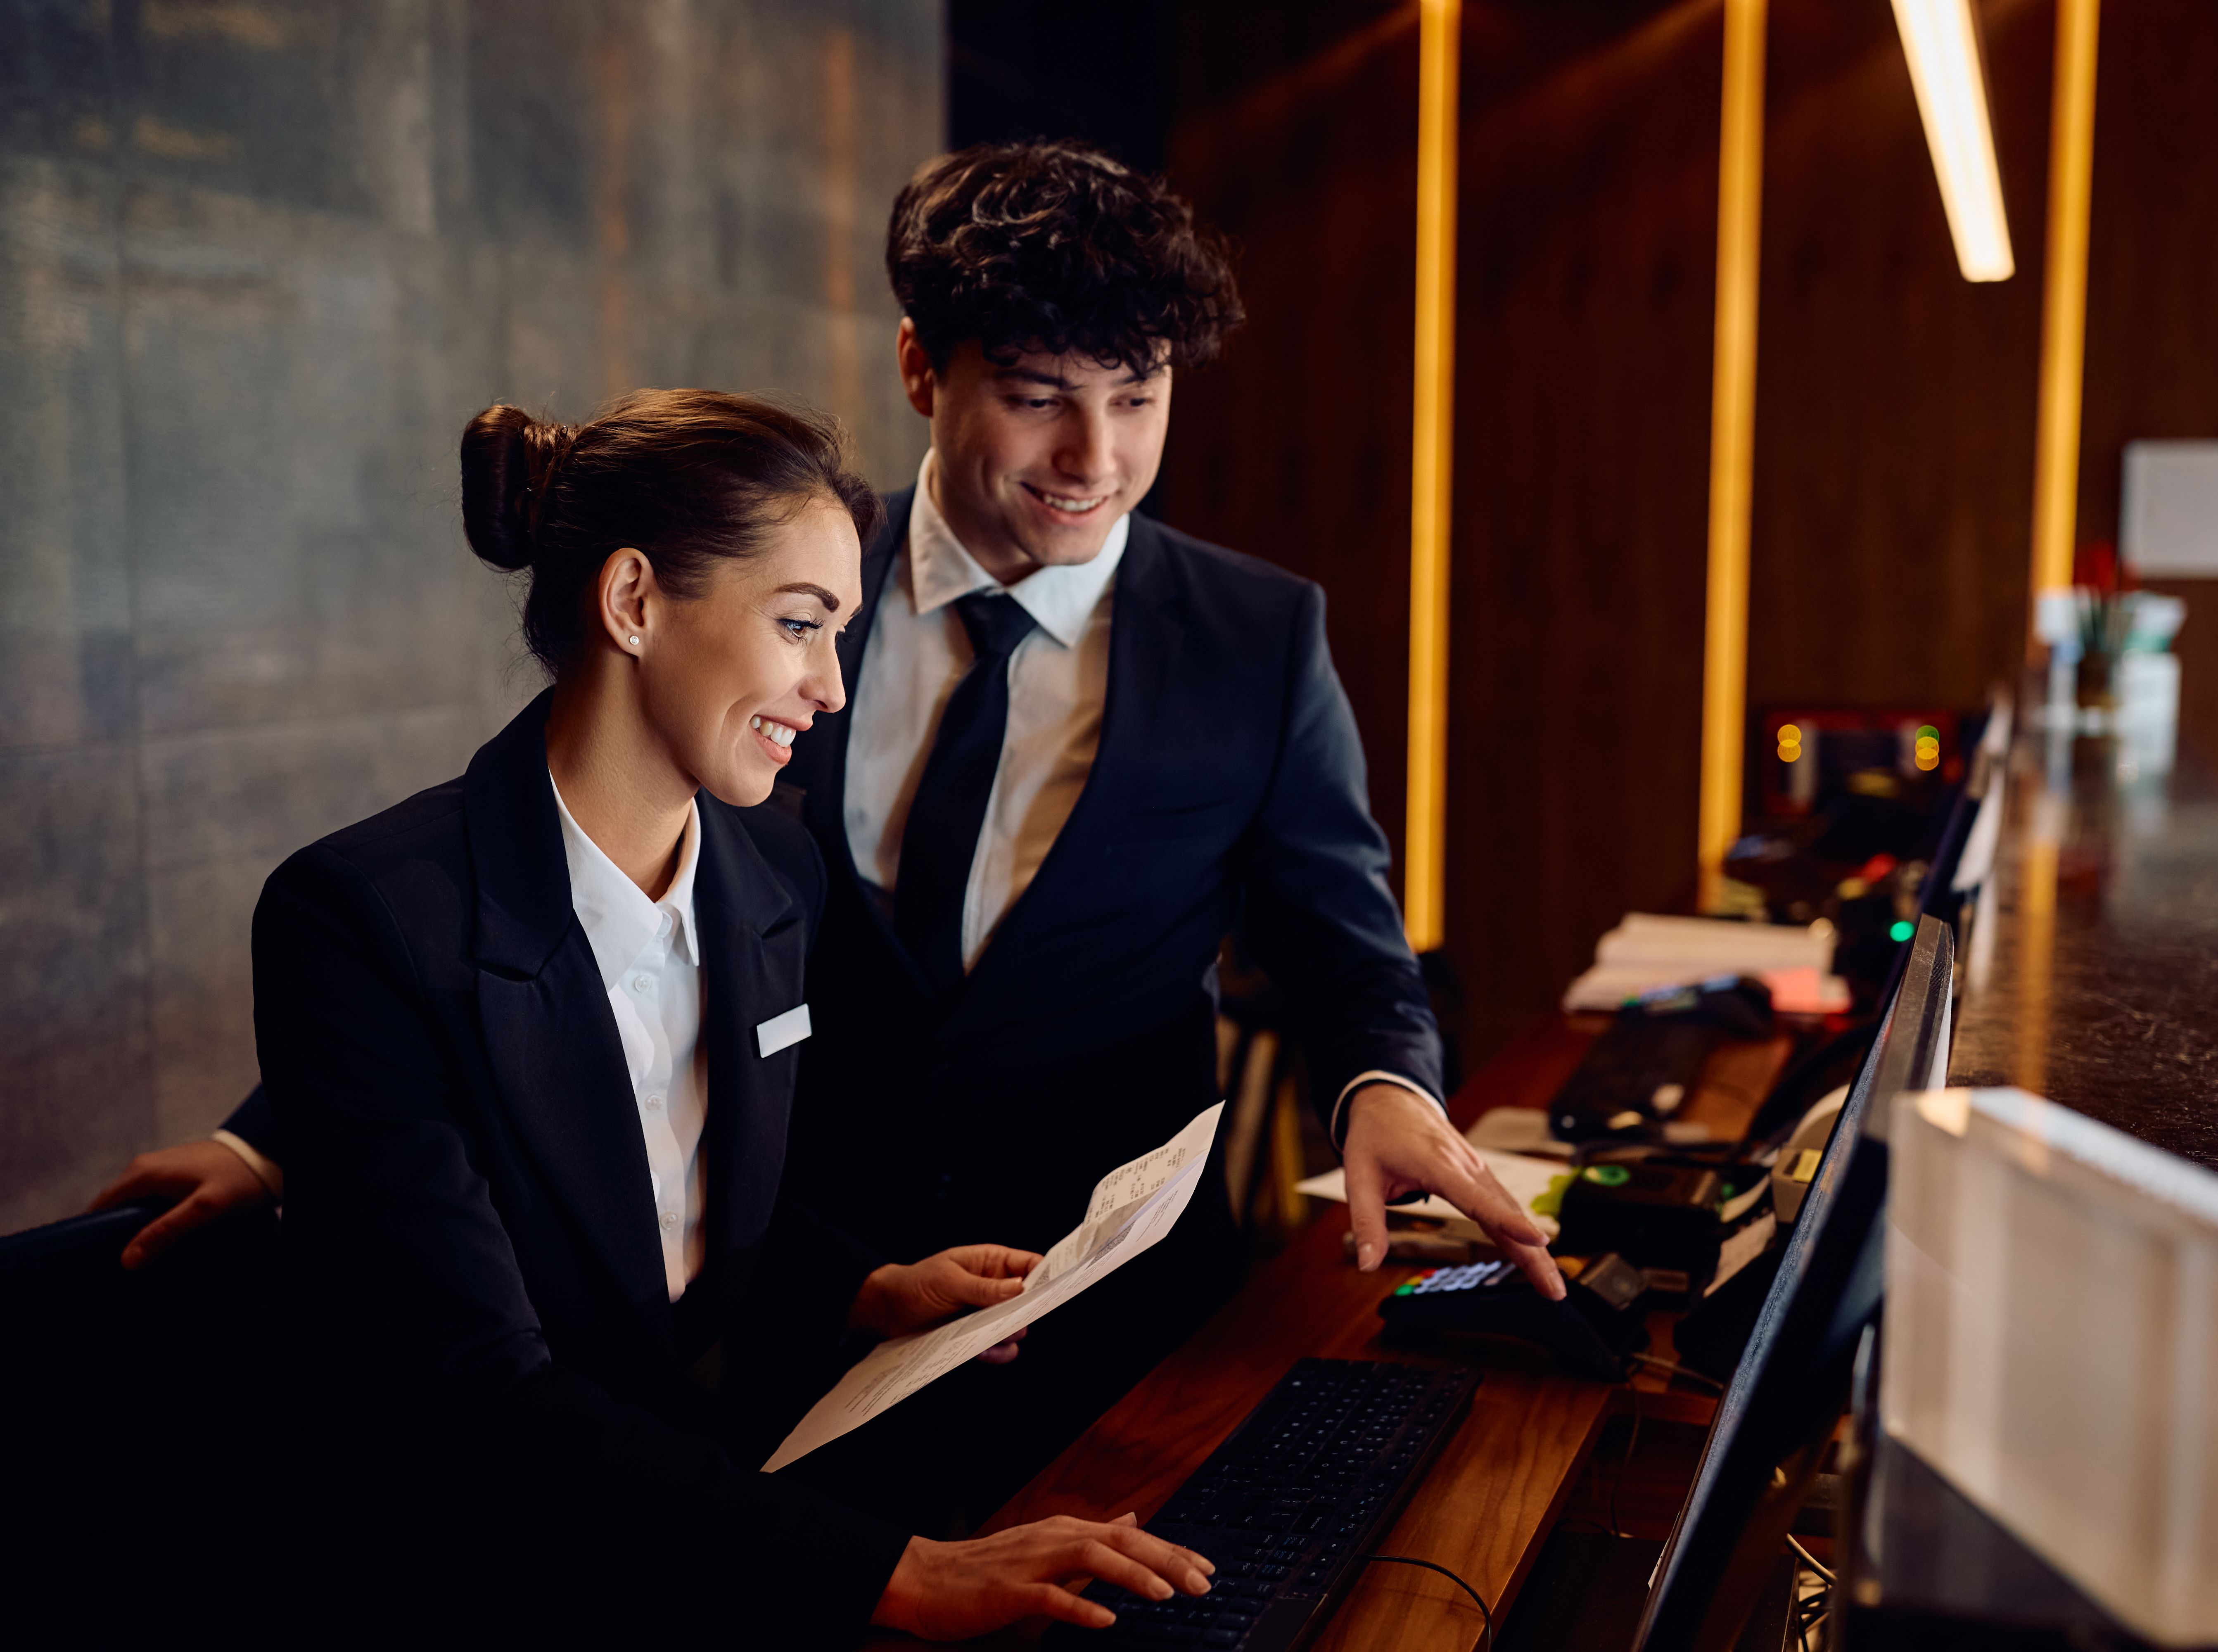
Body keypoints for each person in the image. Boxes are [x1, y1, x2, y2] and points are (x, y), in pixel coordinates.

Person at [94, 139, 1561, 1532]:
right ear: (924, 368)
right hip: (799, 1300)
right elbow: (529, 898)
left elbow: (1342, 937)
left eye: (1139, 398)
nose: (1094, 456)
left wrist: (1387, 1081)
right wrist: (287, 1135)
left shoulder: (1256, 636)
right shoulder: (768, 565)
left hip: (1101, 1317)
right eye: (1039, 396)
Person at [244, 389, 1215, 1644]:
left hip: (706, 1516)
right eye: (800, 625)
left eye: (840, 634)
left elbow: (668, 1205)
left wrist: (863, 1288)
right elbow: (484, 1399)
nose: (831, 687)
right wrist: (897, 1572)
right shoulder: (360, 918)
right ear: (633, 602)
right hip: (476, 1577)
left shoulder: (775, 871)